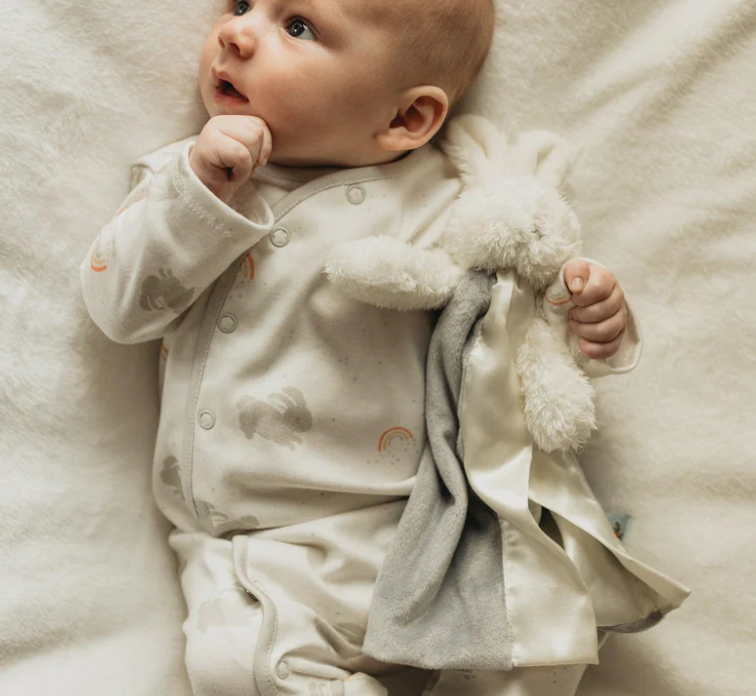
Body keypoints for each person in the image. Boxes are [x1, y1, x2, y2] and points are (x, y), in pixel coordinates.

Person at [80, 0, 639, 693]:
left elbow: (511, 347)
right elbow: (120, 310)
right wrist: (200, 191)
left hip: (426, 526)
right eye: (242, 3)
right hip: (258, 548)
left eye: (297, 26)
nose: (235, 32)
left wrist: (587, 321)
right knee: (233, 669)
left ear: (407, 118)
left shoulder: (448, 204)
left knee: (539, 641)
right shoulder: (184, 180)